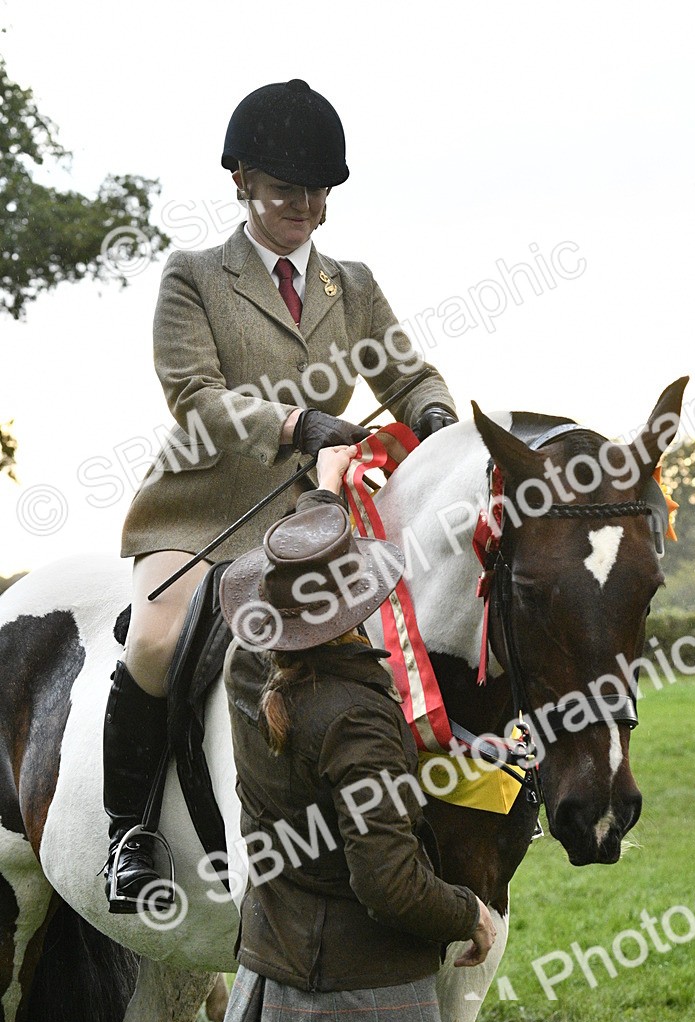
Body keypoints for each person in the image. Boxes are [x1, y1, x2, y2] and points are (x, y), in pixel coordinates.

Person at [103, 79, 457, 909]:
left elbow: (407, 374)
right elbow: (194, 396)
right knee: (157, 642)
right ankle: (131, 833)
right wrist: (298, 423)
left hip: (318, 523)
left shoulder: (353, 285)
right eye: (284, 188)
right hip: (205, 513)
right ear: (240, 182)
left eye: (317, 191)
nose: (303, 205)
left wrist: (436, 417)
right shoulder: (193, 275)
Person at [206, 444, 494, 1022]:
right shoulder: (357, 717)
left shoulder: (247, 669)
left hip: (277, 991)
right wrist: (469, 912)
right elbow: (389, 883)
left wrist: (324, 496)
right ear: (357, 602)